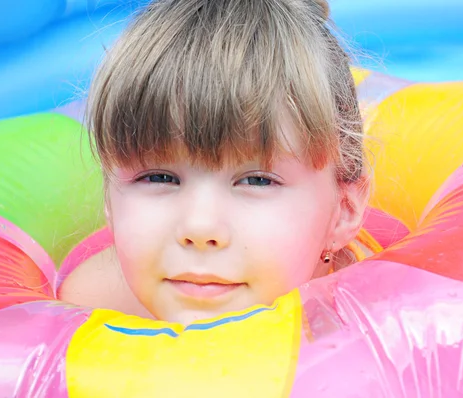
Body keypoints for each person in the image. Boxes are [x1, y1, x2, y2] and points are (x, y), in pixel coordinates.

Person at [59, 0, 371, 325]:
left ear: (343, 210)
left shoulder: (371, 326)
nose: (199, 227)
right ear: (110, 199)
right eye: (159, 177)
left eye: (257, 180)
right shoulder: (92, 308)